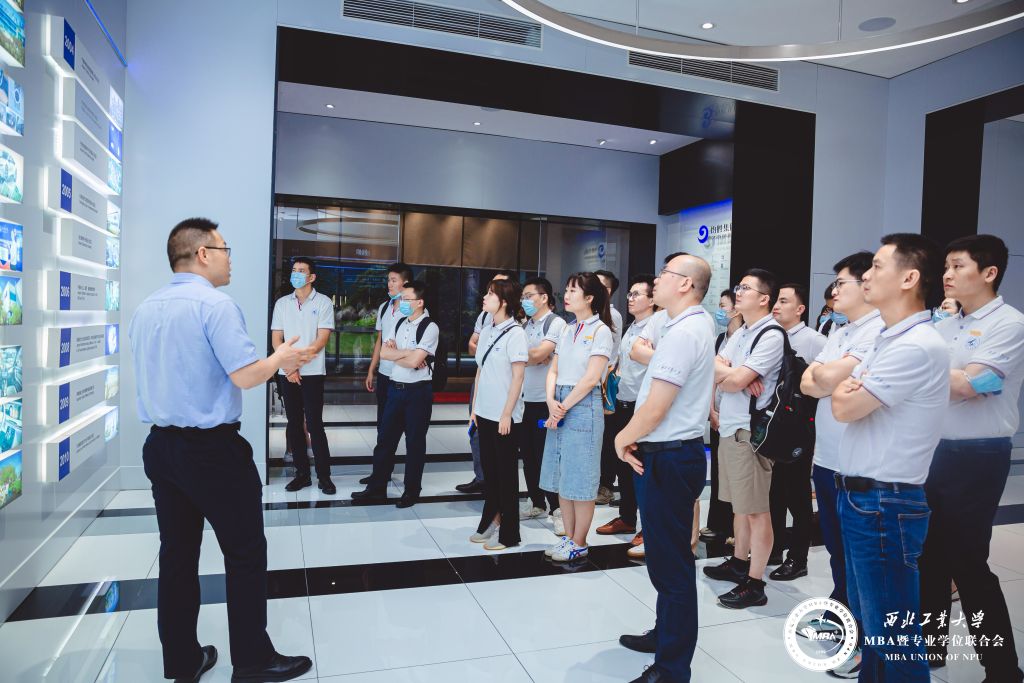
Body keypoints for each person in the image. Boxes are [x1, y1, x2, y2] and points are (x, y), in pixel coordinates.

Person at [129, 218, 313, 682]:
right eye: (225, 248)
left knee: (177, 556)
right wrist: (281, 359)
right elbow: (246, 375)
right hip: (212, 450)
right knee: (245, 552)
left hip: (161, 448)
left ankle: (182, 660)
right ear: (203, 254)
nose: (230, 258)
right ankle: (252, 661)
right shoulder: (216, 305)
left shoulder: (146, 308)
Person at [831, 233, 949, 682]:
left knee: (893, 636)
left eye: (877, 266)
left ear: (909, 278)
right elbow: (841, 394)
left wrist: (845, 390)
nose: (866, 275)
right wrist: (845, 390)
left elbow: (844, 406)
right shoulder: (887, 336)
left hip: (884, 501)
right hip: (865, 498)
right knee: (875, 629)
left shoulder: (915, 345)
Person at [919, 234, 1024, 681]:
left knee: (967, 561)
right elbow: (950, 380)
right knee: (928, 556)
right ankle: (931, 646)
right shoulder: (944, 325)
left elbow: (972, 385)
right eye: (946, 266)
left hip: (978, 454)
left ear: (989, 273)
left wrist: (921, 372)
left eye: (958, 266)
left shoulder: (1009, 324)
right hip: (933, 449)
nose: (947, 274)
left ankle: (1002, 669)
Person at [615, 255, 715, 683]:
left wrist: (621, 438)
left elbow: (657, 407)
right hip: (672, 452)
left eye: (665, 274)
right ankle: (665, 634)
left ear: (686, 284)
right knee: (664, 559)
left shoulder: (685, 332)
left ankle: (672, 669)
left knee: (672, 567)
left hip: (669, 456)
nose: (656, 280)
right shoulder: (683, 324)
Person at [798, 250, 881, 676]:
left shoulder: (879, 330)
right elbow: (808, 382)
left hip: (857, 462)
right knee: (835, 548)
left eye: (840, 282)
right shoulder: (840, 329)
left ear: (867, 284)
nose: (833, 291)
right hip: (827, 457)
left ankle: (865, 642)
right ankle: (844, 618)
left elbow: (825, 378)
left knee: (860, 556)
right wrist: (826, 377)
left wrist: (826, 377)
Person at [704, 269, 785, 609]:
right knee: (739, 506)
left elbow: (734, 379)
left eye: (746, 288)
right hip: (730, 427)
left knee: (756, 511)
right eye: (738, 287)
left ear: (764, 298)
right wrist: (732, 373)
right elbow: (714, 367)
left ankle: (755, 583)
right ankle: (739, 562)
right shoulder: (742, 332)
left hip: (750, 432)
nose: (738, 292)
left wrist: (734, 374)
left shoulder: (771, 334)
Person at [541, 272, 615, 562]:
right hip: (560, 401)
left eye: (573, 290)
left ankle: (580, 541)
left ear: (590, 298)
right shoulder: (567, 328)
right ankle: (569, 538)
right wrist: (551, 400)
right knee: (563, 475)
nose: (567, 295)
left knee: (581, 478)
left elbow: (591, 378)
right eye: (567, 289)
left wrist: (562, 406)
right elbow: (553, 370)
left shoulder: (601, 331)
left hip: (583, 405)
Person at [353, 280, 439, 508]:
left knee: (414, 444)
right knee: (384, 441)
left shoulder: (430, 327)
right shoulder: (400, 322)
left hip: (418, 393)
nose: (402, 303)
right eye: (401, 299)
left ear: (419, 302)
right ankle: (376, 488)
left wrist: (401, 354)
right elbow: (384, 352)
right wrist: (408, 353)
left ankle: (411, 491)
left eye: (407, 299)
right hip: (395, 389)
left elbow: (414, 362)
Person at [766, 283, 825, 577]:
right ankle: (773, 547)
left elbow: (823, 384)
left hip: (800, 426)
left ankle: (798, 558)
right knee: (774, 491)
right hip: (774, 424)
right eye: (776, 300)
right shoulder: (773, 337)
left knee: (798, 494)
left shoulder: (814, 341)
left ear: (800, 309)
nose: (776, 306)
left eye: (784, 301)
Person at [469, 279, 528, 551]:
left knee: (506, 475)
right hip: (485, 411)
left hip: (505, 416)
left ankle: (509, 533)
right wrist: (475, 409)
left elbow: (518, 377)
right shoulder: (487, 329)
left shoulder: (516, 333)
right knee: (490, 473)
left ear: (504, 301)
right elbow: (480, 370)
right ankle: (491, 519)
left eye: (490, 293)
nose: (485, 297)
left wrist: (507, 414)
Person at [597, 274, 656, 539]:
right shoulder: (633, 326)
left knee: (641, 466)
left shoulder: (657, 327)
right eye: (629, 294)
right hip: (623, 402)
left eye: (636, 294)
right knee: (623, 463)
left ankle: (647, 526)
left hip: (642, 406)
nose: (630, 298)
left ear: (652, 300)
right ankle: (627, 517)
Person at [272, 257, 336, 495]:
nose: (296, 274)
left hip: (312, 372)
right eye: (294, 270)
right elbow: (276, 339)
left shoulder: (323, 302)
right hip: (287, 373)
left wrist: (297, 363)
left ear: (312, 277)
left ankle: (324, 476)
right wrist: (289, 367)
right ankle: (302, 474)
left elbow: (321, 339)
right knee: (294, 423)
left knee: (315, 424)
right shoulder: (282, 304)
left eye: (301, 271)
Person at [457, 271, 514, 494]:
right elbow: (472, 346)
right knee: (477, 430)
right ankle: (482, 477)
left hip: (504, 384)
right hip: (483, 377)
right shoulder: (484, 318)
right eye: (490, 288)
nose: (488, 294)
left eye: (496, 288)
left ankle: (498, 486)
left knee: (501, 438)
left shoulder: (516, 320)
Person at [519, 277, 567, 527]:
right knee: (528, 455)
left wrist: (533, 357)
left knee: (547, 456)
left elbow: (538, 354)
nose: (524, 301)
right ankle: (536, 502)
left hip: (545, 401)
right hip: (524, 399)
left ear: (544, 297)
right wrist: (534, 358)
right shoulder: (525, 325)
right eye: (523, 297)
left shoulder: (555, 323)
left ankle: (557, 509)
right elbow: (532, 356)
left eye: (529, 296)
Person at [699, 289, 742, 545]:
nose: (719, 310)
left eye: (723, 306)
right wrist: (711, 411)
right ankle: (718, 523)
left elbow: (737, 375)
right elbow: (711, 376)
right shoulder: (719, 339)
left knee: (736, 473)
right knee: (718, 471)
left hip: (736, 415)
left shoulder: (745, 338)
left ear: (736, 309)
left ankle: (738, 529)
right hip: (717, 411)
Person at [366, 262, 414, 421]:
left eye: (394, 280)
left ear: (405, 283)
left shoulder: (414, 309)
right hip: (384, 373)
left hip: (404, 375)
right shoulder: (384, 308)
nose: (389, 284)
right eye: (388, 280)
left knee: (402, 421)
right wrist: (371, 370)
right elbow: (379, 341)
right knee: (382, 419)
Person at [595, 269, 623, 506]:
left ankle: (606, 486)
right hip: (590, 385)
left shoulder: (612, 315)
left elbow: (610, 357)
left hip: (603, 385)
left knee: (606, 438)